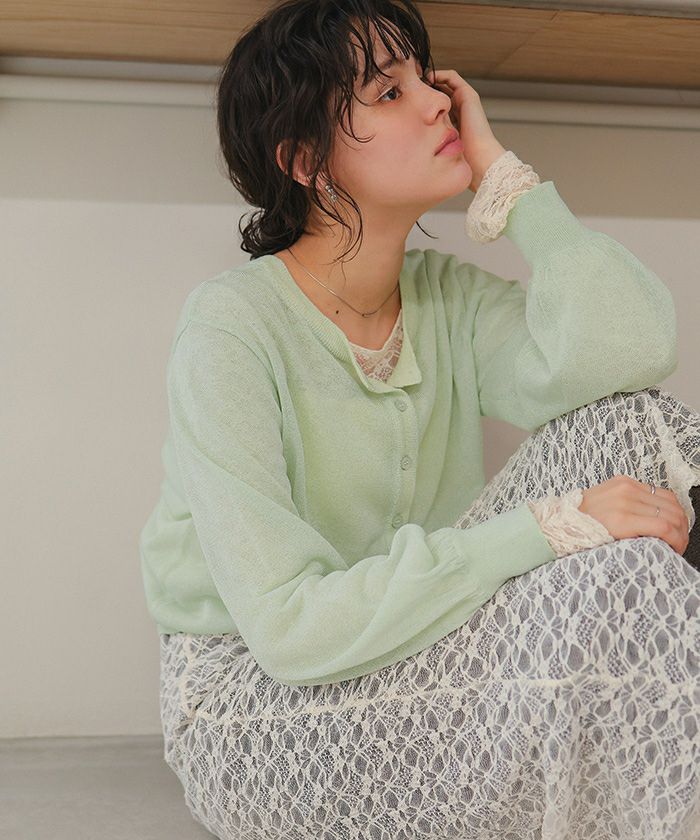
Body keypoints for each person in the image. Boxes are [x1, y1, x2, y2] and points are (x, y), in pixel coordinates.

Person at [139, 1, 700, 837]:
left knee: (627, 423)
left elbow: (633, 351)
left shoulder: (445, 299)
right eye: (390, 92)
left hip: (421, 650)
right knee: (612, 574)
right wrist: (547, 528)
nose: (442, 102)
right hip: (259, 705)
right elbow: (290, 629)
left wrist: (510, 185)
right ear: (305, 159)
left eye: (425, 79)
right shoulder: (231, 330)